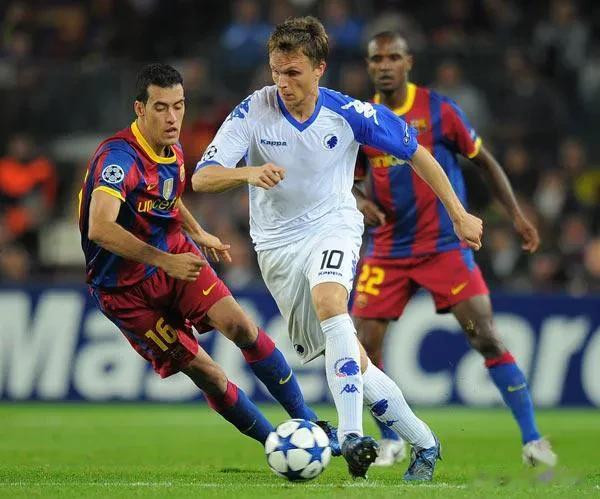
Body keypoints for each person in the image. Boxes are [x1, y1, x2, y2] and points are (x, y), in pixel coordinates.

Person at [192, 17, 483, 481]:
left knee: (331, 303)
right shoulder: (253, 110)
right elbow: (201, 177)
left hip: (334, 225)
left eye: (293, 73)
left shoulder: (349, 113)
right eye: (276, 72)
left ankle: (350, 435)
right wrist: (247, 172)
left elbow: (418, 152)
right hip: (276, 246)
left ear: (319, 69)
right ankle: (425, 443)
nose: (282, 83)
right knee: (347, 356)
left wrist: (458, 214)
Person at [78, 63, 331, 450]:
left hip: (175, 254)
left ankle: (310, 423)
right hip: (124, 290)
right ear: (140, 109)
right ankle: (278, 446)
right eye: (161, 107)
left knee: (242, 327)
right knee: (207, 373)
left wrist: (196, 232)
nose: (172, 117)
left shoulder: (173, 148)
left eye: (178, 106)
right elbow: (100, 228)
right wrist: (164, 261)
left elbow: (167, 196)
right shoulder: (119, 159)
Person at [351, 31, 557, 468]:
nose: (384, 65)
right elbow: (346, 180)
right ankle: (390, 440)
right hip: (387, 250)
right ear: (369, 66)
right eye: (377, 59)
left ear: (408, 62)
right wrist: (360, 200)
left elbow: (484, 161)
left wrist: (517, 215)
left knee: (485, 335)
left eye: (392, 57)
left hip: (444, 246)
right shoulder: (361, 118)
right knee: (361, 346)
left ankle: (533, 439)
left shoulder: (439, 111)